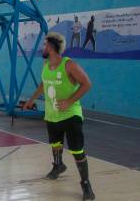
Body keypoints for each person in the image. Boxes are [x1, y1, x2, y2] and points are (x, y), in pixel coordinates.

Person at [23, 32, 95, 200]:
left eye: (45, 45)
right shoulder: (46, 64)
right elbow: (43, 83)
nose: (43, 47)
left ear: (52, 46)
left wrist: (69, 101)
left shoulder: (69, 65)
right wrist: (31, 100)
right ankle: (58, 165)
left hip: (70, 114)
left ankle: (86, 185)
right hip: (52, 113)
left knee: (77, 150)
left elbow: (87, 84)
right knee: (55, 143)